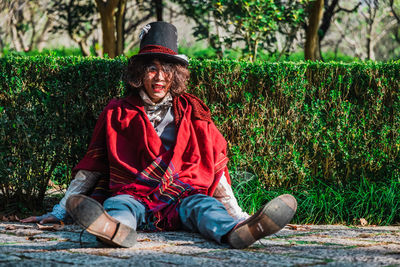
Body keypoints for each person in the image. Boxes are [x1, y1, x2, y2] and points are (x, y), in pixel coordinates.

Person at [22, 21, 297, 249]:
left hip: (183, 196)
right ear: (140, 74)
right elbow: (91, 167)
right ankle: (115, 232)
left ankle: (236, 231)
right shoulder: (117, 111)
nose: (159, 76)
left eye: (166, 69)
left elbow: (216, 168)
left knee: (205, 207)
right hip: (132, 195)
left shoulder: (193, 111)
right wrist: (60, 211)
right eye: (151, 68)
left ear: (175, 75)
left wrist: (236, 213)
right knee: (117, 206)